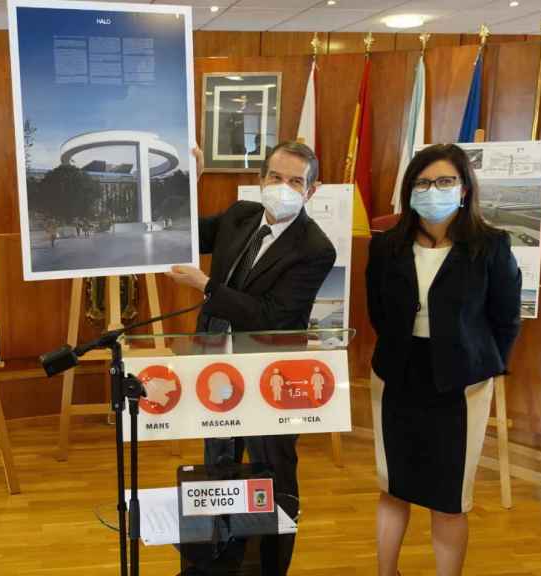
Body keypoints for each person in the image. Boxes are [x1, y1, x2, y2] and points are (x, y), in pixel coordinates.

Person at [168, 140, 336, 574]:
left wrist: (206, 286)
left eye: (296, 181)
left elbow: (271, 317)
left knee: (272, 471)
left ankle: (265, 565)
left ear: (311, 191)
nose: (283, 187)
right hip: (216, 367)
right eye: (275, 178)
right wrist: (191, 180)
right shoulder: (241, 215)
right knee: (218, 464)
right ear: (261, 180)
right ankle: (214, 562)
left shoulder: (315, 248)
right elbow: (179, 229)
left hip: (270, 377)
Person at [366, 144, 521, 576]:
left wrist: (483, 363)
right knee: (393, 485)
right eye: (422, 182)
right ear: (409, 189)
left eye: (444, 181)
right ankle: (386, 572)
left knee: (450, 499)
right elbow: (378, 311)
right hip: (398, 373)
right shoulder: (386, 247)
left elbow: (506, 318)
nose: (432, 190)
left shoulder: (490, 246)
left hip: (461, 382)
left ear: (465, 190)